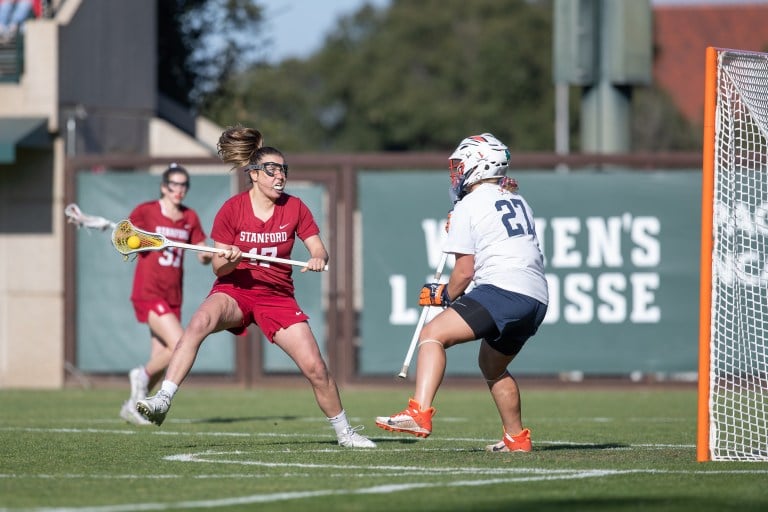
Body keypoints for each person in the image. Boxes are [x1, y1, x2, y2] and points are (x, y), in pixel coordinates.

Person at [136, 126, 376, 449]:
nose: (280, 176)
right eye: (272, 170)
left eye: (283, 170)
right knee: (199, 323)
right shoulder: (232, 210)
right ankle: (163, 399)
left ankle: (346, 434)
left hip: (276, 297)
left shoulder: (295, 208)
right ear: (254, 175)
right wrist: (231, 259)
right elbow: (220, 268)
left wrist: (318, 257)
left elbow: (318, 249)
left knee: (316, 368)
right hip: (235, 290)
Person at [375, 133, 548, 452]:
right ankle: (516, 439)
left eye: (461, 165)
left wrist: (443, 294)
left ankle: (419, 412)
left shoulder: (470, 205)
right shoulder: (519, 201)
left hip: (502, 289)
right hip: (536, 298)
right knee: (492, 366)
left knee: (432, 335)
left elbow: (465, 271)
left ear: (479, 166)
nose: (456, 173)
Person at [119, 163, 213, 425]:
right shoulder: (146, 212)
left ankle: (133, 407)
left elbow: (201, 252)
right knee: (181, 344)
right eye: (174, 184)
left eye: (184, 185)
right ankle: (139, 375)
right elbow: (125, 239)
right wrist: (136, 240)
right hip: (149, 291)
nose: (179, 190)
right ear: (164, 186)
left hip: (174, 295)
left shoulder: (189, 217)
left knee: (162, 359)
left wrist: (207, 255)